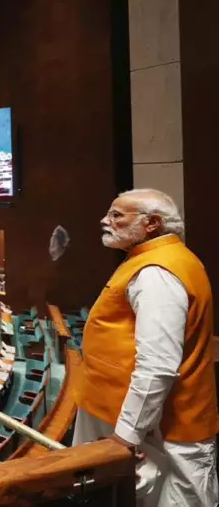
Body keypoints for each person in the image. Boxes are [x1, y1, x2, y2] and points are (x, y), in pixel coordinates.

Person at [73, 188, 218, 506]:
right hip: (139, 419)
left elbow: (157, 366)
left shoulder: (157, 272)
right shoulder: (154, 259)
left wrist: (125, 436)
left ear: (151, 223)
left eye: (116, 215)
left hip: (162, 427)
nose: (105, 221)